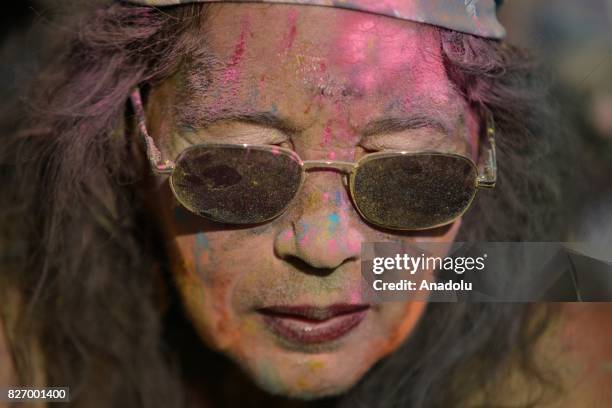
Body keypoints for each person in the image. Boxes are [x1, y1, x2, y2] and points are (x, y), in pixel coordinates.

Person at [1, 1, 609, 407]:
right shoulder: (30, 373)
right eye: (237, 169)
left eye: (411, 174)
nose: (326, 246)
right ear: (130, 145)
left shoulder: (577, 367)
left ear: (485, 157)